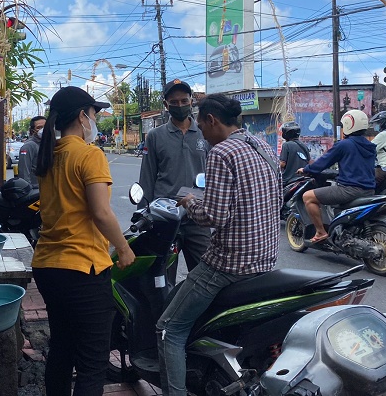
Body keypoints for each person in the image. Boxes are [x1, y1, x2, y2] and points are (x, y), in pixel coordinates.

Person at [159, 93, 282, 396]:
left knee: (168, 329)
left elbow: (213, 215)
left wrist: (189, 201)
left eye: (201, 125)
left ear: (211, 121)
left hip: (229, 264)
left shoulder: (221, 152)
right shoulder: (262, 145)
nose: (201, 131)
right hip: (265, 261)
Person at [31, 85, 135, 396]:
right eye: (93, 114)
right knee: (92, 363)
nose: (95, 120)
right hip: (83, 270)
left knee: (62, 349)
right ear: (82, 116)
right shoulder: (90, 154)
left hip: (48, 266)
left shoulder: (49, 156)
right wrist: (125, 249)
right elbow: (101, 213)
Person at [139, 79, 211, 285]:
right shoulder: (155, 136)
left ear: (191, 102)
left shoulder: (204, 133)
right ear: (166, 105)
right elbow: (147, 176)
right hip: (165, 218)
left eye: (184, 101)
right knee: (162, 278)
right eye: (174, 102)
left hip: (198, 217)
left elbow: (213, 174)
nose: (179, 106)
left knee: (204, 275)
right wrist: (145, 215)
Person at [297, 109, 376, 243]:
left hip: (349, 190)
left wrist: (306, 169)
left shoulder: (345, 144)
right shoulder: (369, 145)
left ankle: (321, 232)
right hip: (369, 190)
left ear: (347, 125)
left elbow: (323, 162)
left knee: (308, 197)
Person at [18, 115, 46, 186]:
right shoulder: (29, 146)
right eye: (39, 127)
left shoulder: (49, 144)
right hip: (35, 189)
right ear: (32, 130)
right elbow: (24, 171)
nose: (43, 130)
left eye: (45, 126)